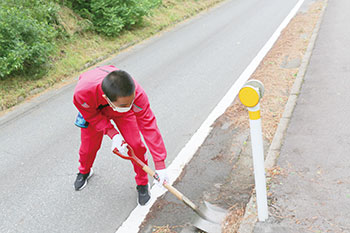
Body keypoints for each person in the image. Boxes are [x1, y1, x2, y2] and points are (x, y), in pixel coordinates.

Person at [73, 65, 169, 206]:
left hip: (122, 113)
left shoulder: (136, 96)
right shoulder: (82, 94)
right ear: (106, 98)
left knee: (136, 145)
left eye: (132, 101)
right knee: (88, 147)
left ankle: (142, 183)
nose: (131, 105)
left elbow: (149, 125)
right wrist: (113, 134)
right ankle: (84, 171)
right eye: (126, 104)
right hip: (96, 111)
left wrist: (160, 165)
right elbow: (91, 116)